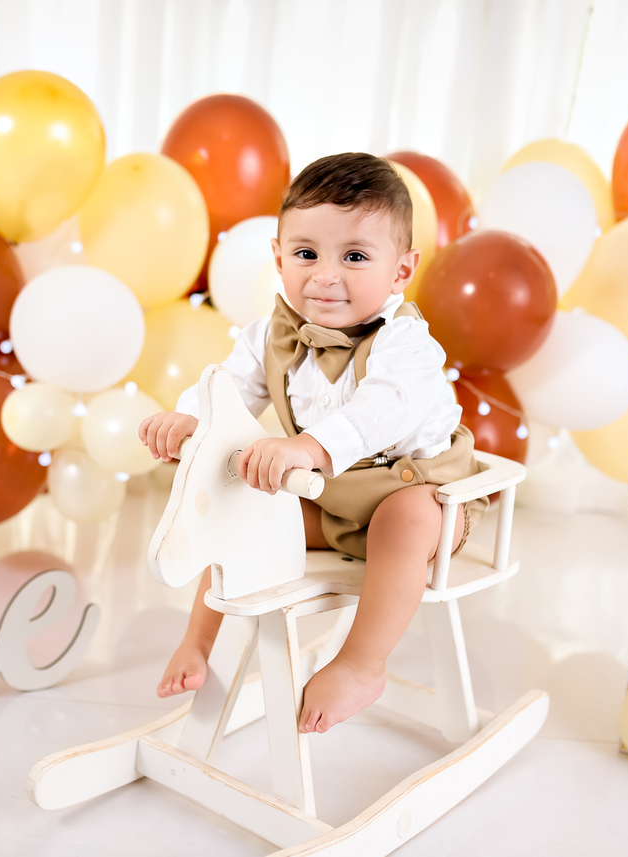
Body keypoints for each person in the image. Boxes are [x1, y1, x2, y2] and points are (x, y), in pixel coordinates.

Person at [138, 152, 486, 734]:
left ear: (401, 270)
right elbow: (228, 391)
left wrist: (307, 448)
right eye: (307, 254)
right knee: (237, 509)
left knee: (406, 517)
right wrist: (192, 422)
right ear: (279, 259)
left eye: (355, 256)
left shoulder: (406, 344)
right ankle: (199, 642)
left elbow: (385, 409)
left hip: (422, 499)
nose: (326, 275)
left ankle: (362, 664)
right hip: (330, 503)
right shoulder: (268, 337)